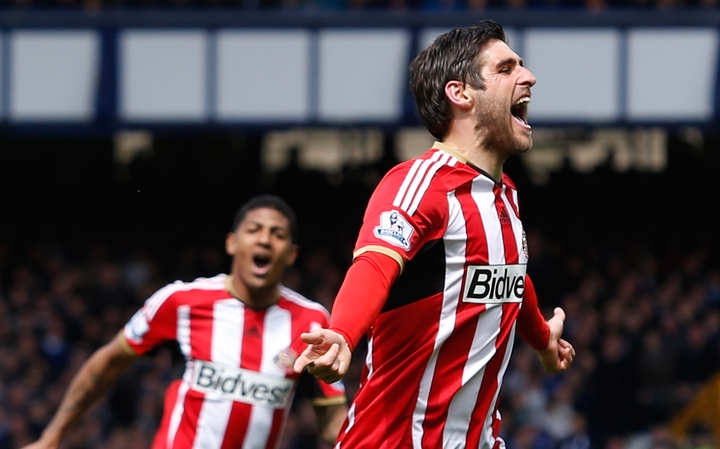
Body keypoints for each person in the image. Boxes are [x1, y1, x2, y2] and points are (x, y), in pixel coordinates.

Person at [293, 20, 575, 449]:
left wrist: (542, 340)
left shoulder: (506, 196)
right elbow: (375, 263)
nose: (529, 76)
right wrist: (343, 333)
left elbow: (510, 275)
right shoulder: (421, 184)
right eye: (506, 68)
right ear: (460, 93)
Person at [23, 194, 348, 449]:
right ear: (232, 243)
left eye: (277, 235)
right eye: (254, 230)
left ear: (291, 254)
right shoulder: (181, 302)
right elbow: (108, 361)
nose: (264, 240)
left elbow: (333, 422)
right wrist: (53, 437)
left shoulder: (312, 322)